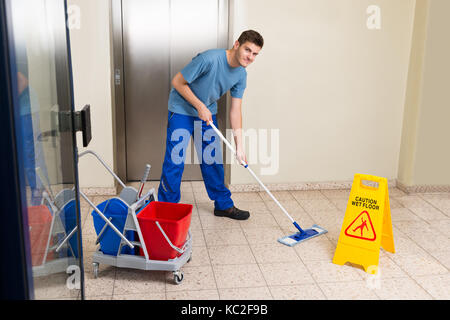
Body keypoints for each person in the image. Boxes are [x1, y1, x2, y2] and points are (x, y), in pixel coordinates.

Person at [158, 30, 264, 220]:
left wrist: (240, 146)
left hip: (206, 114)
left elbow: (235, 110)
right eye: (248, 50)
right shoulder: (209, 59)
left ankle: (223, 205)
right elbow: (177, 82)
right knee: (175, 159)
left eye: (255, 54)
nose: (250, 57)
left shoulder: (241, 75)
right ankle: (166, 208)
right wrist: (199, 105)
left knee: (212, 160)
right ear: (237, 44)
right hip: (181, 109)